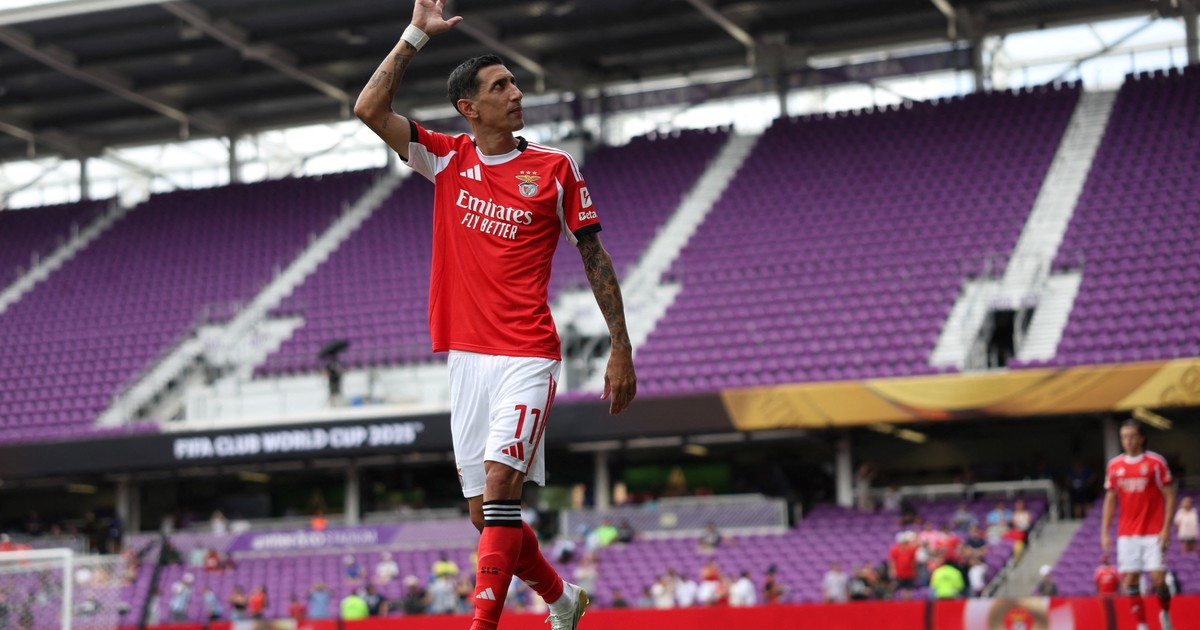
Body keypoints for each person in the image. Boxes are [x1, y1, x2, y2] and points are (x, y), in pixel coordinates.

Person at [352, 2, 637, 629]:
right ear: (469, 108)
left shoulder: (554, 168)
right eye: (500, 86)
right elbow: (368, 109)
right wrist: (415, 36)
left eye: (514, 82)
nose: (517, 93)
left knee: (503, 487)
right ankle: (563, 600)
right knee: (486, 516)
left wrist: (621, 346)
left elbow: (593, 254)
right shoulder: (447, 158)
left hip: (527, 354)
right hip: (466, 358)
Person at [1101, 420, 1177, 630]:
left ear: (1142, 438)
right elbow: (1110, 499)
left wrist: (1166, 528)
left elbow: (1170, 495)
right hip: (1127, 533)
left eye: (1132, 436)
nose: (1128, 440)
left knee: (1158, 579)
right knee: (1131, 580)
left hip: (1153, 531)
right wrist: (1104, 532)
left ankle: (1165, 612)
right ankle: (1141, 624)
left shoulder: (1155, 463)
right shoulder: (1114, 466)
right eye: (1124, 437)